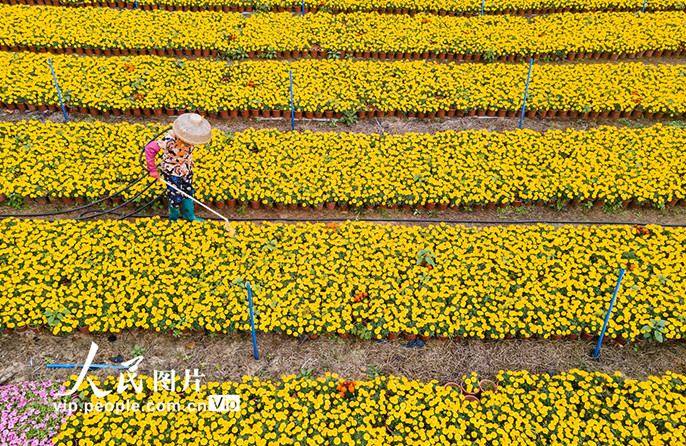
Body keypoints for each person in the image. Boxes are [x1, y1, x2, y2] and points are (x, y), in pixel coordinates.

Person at [144, 113, 212, 222]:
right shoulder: (170, 139)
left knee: (188, 191)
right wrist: (152, 170)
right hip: (172, 171)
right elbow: (149, 149)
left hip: (186, 168)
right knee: (175, 196)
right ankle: (174, 219)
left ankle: (189, 216)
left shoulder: (194, 136)